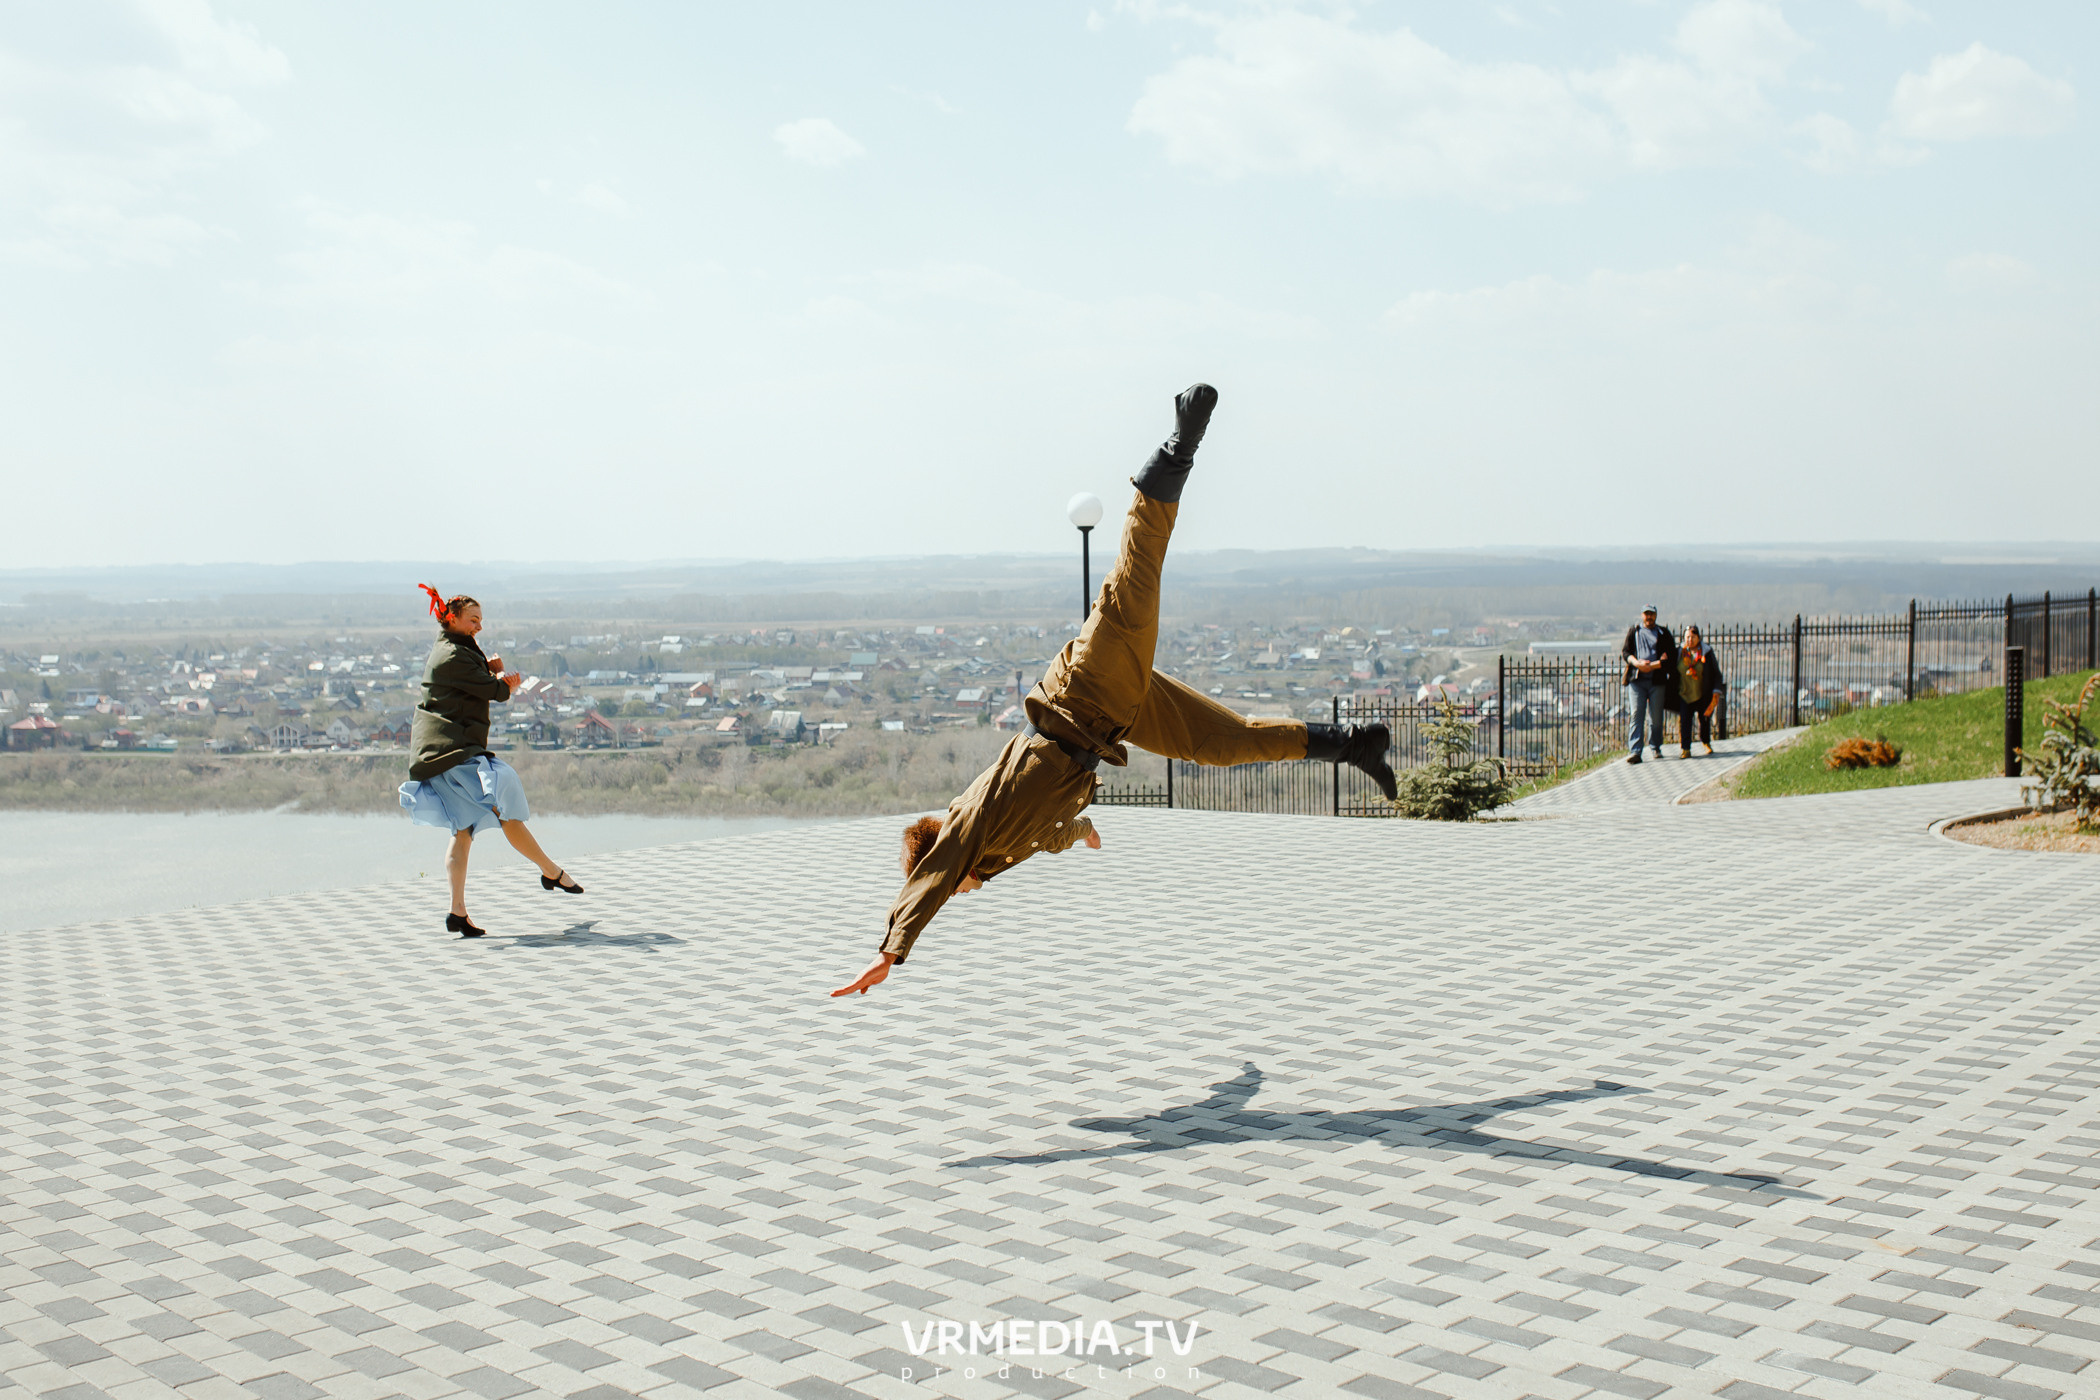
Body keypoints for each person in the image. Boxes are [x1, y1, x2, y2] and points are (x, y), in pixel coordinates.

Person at [831, 384, 1397, 997]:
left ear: (947, 863)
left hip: (1086, 689)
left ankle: (1181, 440)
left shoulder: (970, 822)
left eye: (953, 885)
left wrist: (891, 950)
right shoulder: (999, 853)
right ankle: (1356, 747)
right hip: (1116, 718)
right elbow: (1050, 832)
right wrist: (1084, 833)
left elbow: (936, 875)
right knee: (1225, 743)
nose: (961, 893)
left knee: (1137, 569)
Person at [398, 586, 583, 937]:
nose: (478, 627)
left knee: (464, 830)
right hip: (450, 751)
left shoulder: (454, 649)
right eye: (473, 620)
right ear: (452, 619)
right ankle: (551, 871)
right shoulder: (452, 655)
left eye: (480, 621)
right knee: (503, 797)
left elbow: (480, 679)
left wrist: (493, 673)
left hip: (439, 752)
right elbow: (492, 691)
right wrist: (505, 683)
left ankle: (457, 913)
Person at [1619, 605, 1675, 764]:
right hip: (1637, 680)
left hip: (1657, 680)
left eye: (1651, 614)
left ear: (1656, 615)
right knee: (1637, 713)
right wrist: (1637, 663)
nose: (1649, 617)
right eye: (1646, 614)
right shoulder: (1634, 632)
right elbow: (1625, 653)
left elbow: (1670, 657)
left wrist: (1653, 665)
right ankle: (1635, 750)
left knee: (1656, 716)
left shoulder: (1663, 634)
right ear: (1642, 615)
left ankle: (1655, 746)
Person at [1667, 624, 1724, 758]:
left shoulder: (1706, 653)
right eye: (1687, 637)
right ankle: (1685, 748)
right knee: (1685, 720)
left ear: (1698, 638)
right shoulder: (1680, 652)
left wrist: (1716, 689)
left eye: (1693, 637)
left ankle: (1705, 742)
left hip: (1702, 693)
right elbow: (1671, 668)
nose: (1690, 640)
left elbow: (1716, 674)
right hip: (1684, 693)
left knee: (1704, 719)